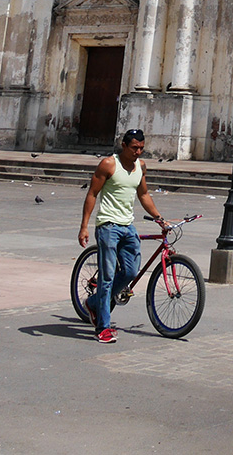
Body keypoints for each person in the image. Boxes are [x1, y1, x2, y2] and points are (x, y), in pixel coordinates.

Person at [78, 128, 168, 344]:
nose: (138, 152)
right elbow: (92, 194)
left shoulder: (141, 167)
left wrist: (159, 217)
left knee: (130, 271)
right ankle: (103, 327)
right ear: (124, 146)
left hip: (128, 226)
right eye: (134, 148)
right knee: (108, 277)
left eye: (141, 148)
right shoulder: (109, 164)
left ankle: (93, 303)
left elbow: (143, 194)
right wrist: (84, 226)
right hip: (108, 226)